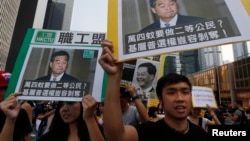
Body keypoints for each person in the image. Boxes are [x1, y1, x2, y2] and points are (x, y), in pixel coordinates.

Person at [99, 39, 208, 141]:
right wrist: (114, 76)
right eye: (171, 92)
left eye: (185, 92)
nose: (180, 98)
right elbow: (116, 136)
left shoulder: (201, 134)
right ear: (160, 99)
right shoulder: (148, 131)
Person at [36, 94, 105, 141]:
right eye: (61, 105)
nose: (64, 109)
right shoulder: (50, 137)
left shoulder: (99, 132)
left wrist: (89, 118)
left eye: (70, 103)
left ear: (82, 105)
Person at [0, 71, 32, 141]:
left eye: (15, 87)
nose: (13, 92)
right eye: (7, 88)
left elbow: (26, 138)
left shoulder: (22, 112)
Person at [141, 0, 207, 32]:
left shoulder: (199, 23)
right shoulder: (146, 32)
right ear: (154, 10)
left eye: (171, 4)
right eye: (162, 6)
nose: (168, 8)